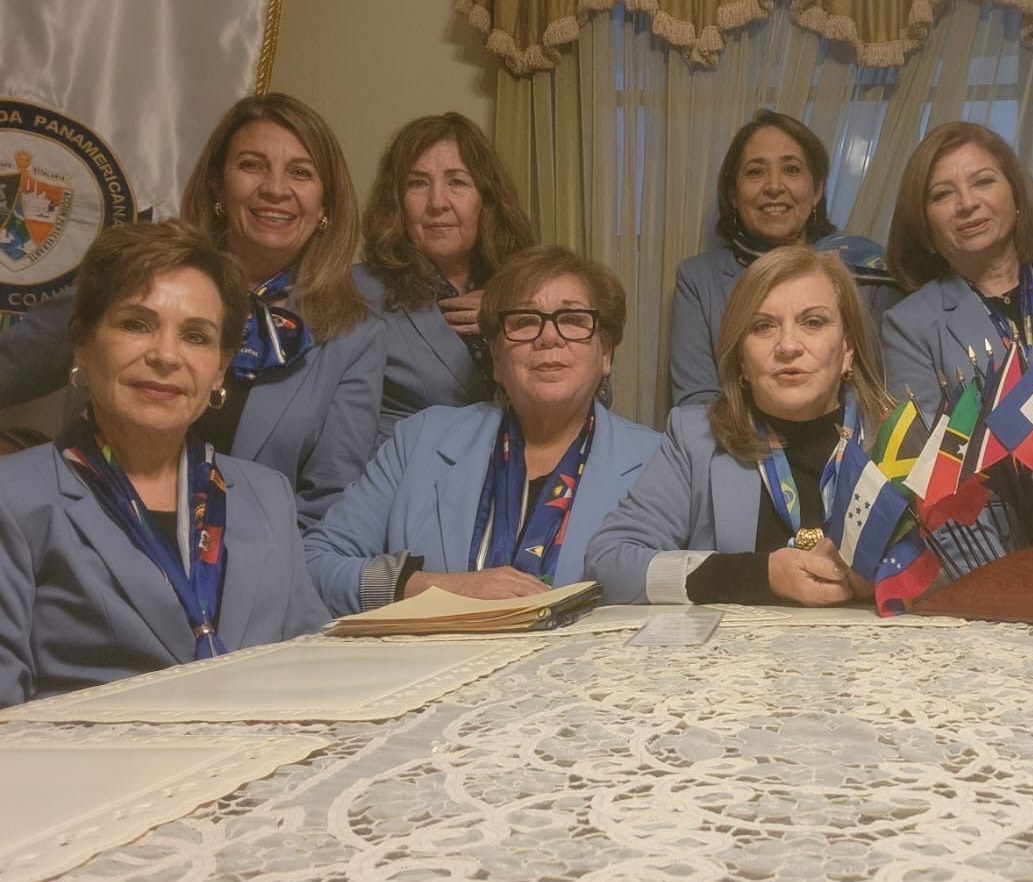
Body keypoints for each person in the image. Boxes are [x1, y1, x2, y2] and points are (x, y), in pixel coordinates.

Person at [0, 93, 384, 528]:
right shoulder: (133, 269)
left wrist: (252, 580)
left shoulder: (355, 336)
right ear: (218, 184)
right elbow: (11, 365)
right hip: (83, 541)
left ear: (326, 205)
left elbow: (327, 507)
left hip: (241, 577)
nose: (276, 189)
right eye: (252, 165)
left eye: (300, 172)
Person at [0, 221, 329, 706]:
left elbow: (317, 677)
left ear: (220, 368)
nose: (166, 356)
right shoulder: (14, 499)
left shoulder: (268, 495)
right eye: (136, 324)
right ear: (83, 343)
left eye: (196, 336)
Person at [305, 246, 661, 615]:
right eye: (524, 321)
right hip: (437, 668)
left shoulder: (659, 462)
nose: (548, 338)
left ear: (606, 354)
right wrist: (432, 587)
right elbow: (315, 564)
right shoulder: (420, 440)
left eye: (571, 319)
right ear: (496, 359)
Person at [588, 245, 893, 605]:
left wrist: (889, 574)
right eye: (763, 327)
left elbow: (959, 565)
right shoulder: (695, 439)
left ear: (848, 349)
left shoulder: (900, 437)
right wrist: (758, 575)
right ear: (741, 361)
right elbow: (608, 564)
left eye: (813, 322)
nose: (788, 345)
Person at [669, 110, 902, 406]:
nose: (774, 186)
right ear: (732, 194)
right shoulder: (700, 280)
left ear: (816, 189)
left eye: (791, 170)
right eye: (755, 172)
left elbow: (890, 393)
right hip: (739, 446)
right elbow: (697, 402)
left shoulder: (869, 270)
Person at [357, 112, 538, 440]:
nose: (437, 203)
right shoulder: (358, 292)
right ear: (396, 200)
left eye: (457, 182)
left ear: (486, 199)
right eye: (417, 183)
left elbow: (592, 394)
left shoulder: (527, 286)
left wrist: (516, 320)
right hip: (407, 482)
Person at [882, 122, 1033, 408]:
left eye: (983, 182)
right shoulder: (908, 326)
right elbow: (924, 444)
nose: (967, 203)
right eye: (943, 194)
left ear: (1016, 194)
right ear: (924, 224)